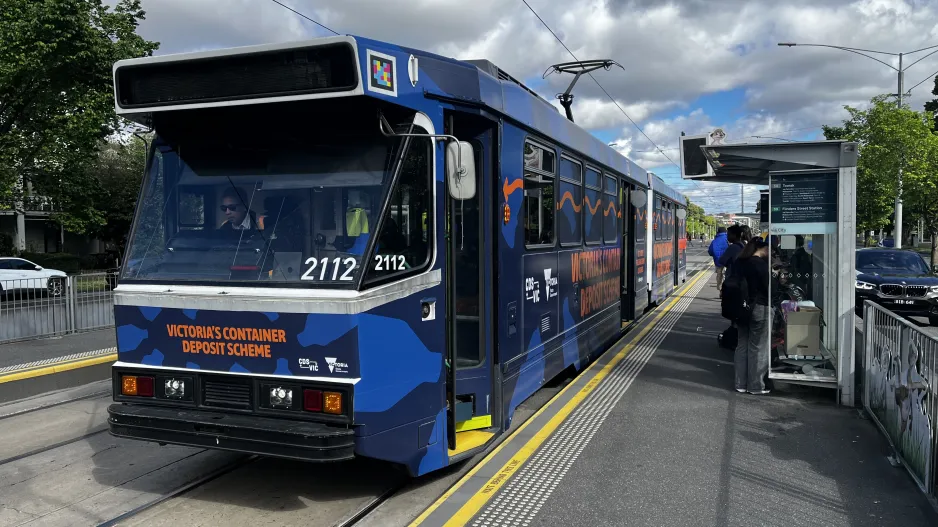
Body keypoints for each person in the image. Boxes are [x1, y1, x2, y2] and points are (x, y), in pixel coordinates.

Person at [733, 236, 771, 395]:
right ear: (765, 249)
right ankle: (756, 386)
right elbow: (768, 288)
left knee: (742, 345)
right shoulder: (761, 265)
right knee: (758, 347)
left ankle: (740, 384)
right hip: (759, 308)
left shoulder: (739, 261)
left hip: (741, 308)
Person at [708, 226, 729, 290]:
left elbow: (710, 251)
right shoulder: (728, 239)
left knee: (719, 275)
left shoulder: (714, 240)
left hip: (718, 261)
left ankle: (720, 288)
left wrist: (715, 255)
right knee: (726, 274)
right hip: (727, 261)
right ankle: (725, 288)